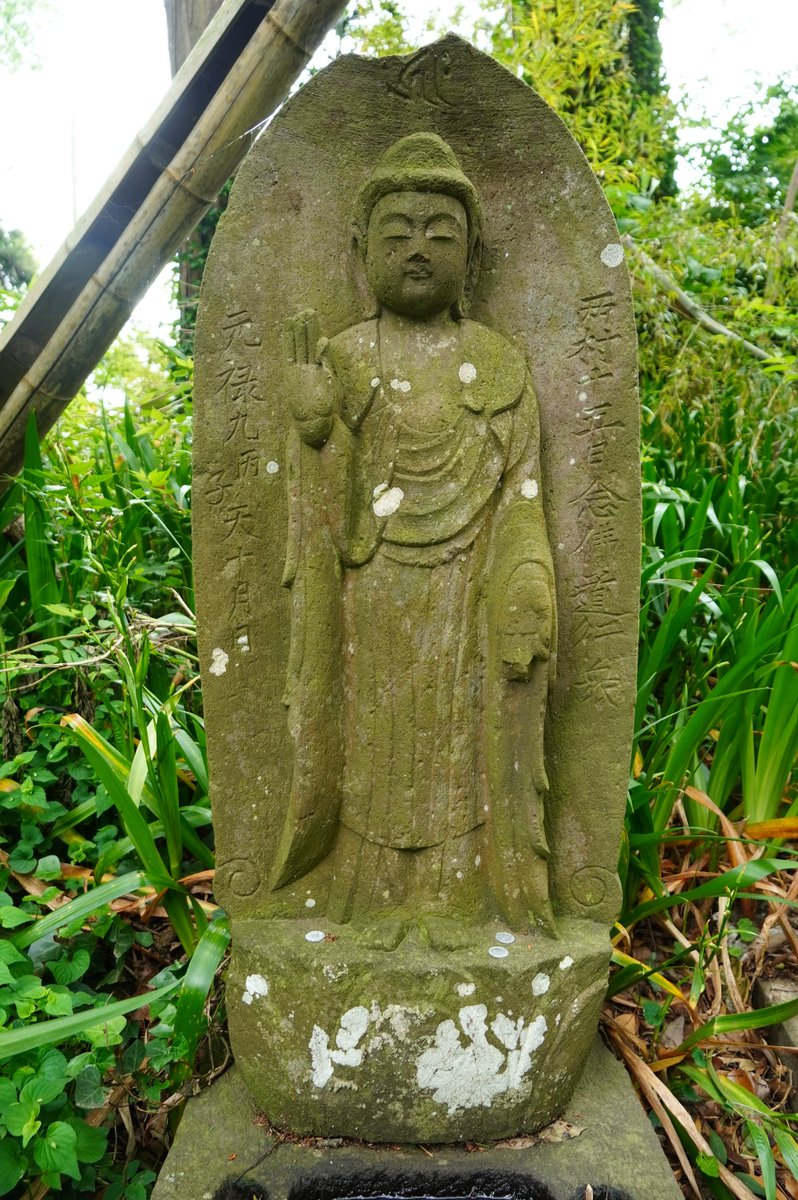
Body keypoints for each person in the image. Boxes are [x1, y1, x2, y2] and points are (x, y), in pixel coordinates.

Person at [271, 133, 556, 946]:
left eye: (441, 233)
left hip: (467, 596)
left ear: (474, 253)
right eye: (397, 234)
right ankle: (372, 899)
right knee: (371, 743)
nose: (419, 249)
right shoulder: (340, 360)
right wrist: (318, 432)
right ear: (360, 250)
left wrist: (526, 582)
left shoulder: (499, 366)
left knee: (461, 744)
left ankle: (456, 898)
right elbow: (324, 527)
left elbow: (522, 503)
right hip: (367, 597)